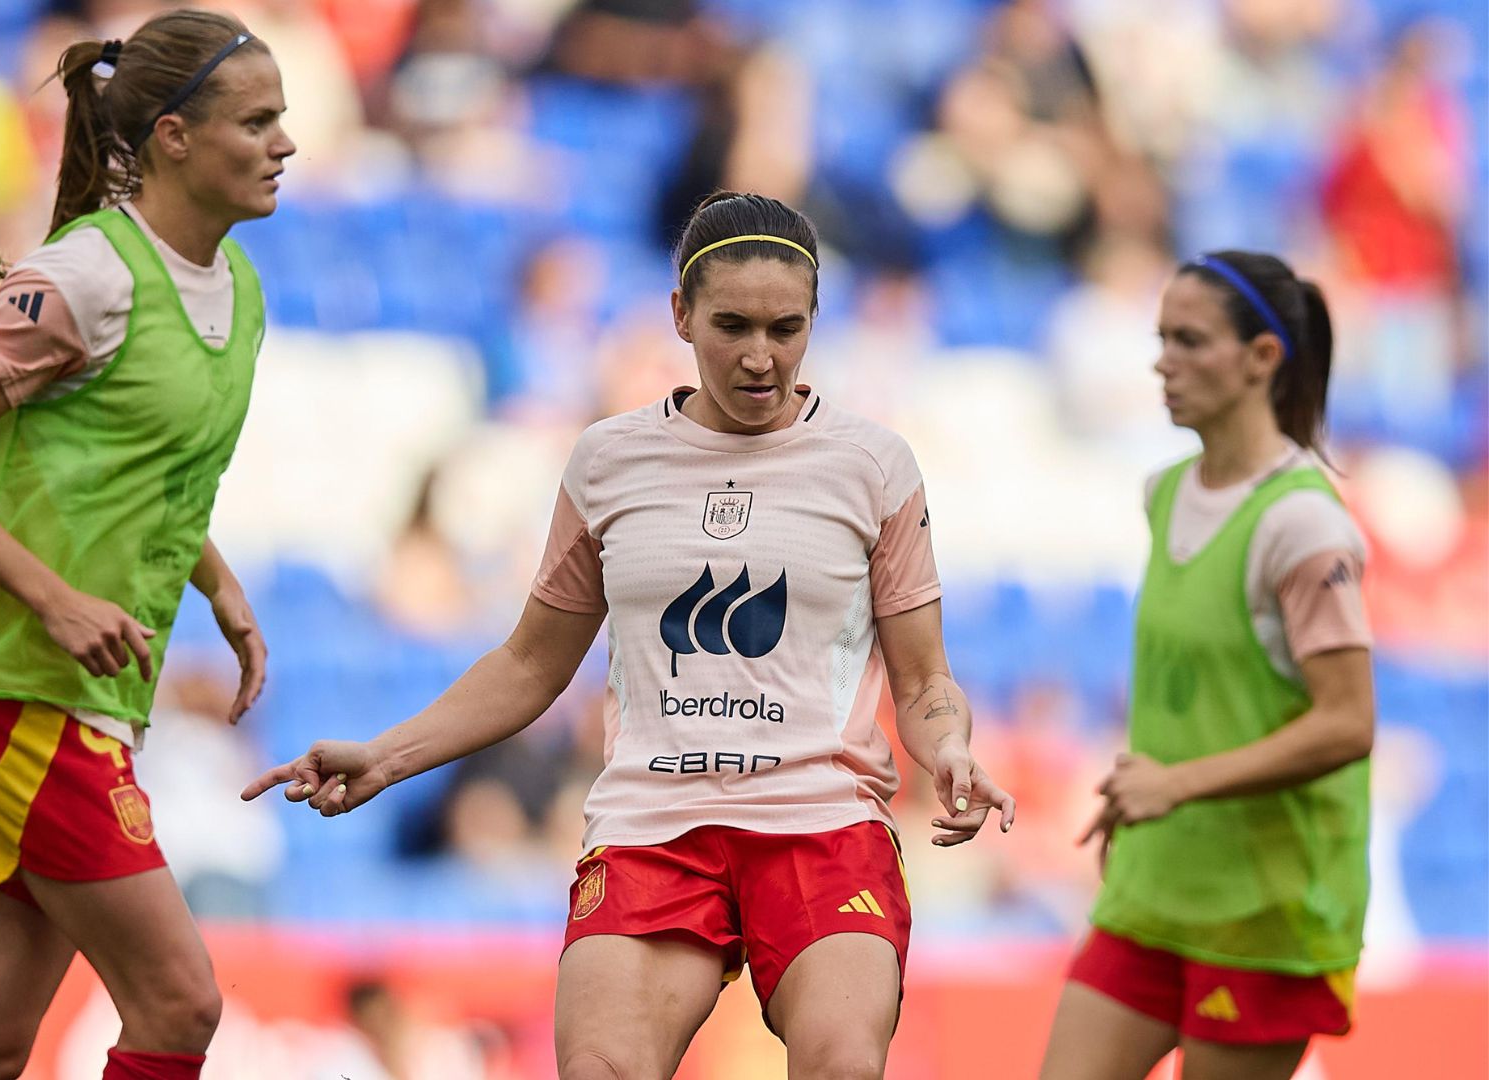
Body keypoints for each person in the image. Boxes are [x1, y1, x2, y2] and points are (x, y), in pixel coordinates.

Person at [247, 191, 1016, 1080]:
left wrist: (949, 747)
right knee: (602, 1068)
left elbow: (924, 684)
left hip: (819, 823)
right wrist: (387, 756)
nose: (760, 357)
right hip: (655, 825)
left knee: (843, 1064)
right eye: (732, 325)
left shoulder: (874, 466)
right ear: (680, 314)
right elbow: (533, 661)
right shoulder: (610, 461)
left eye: (786, 328)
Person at [0, 10, 292, 1080]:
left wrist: (218, 583)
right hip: (15, 686)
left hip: (88, 697)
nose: (285, 142)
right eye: (256, 120)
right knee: (179, 1003)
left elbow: (136, 467)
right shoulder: (87, 278)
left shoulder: (242, 291)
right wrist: (53, 599)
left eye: (284, 119)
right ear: (172, 136)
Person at [1039, 251, 1374, 1080]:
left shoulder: (1302, 524)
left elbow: (1347, 722)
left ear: (1263, 358)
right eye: (1161, 338)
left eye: (1189, 340)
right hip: (1153, 888)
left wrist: (1176, 784)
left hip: (1263, 910)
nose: (1162, 361)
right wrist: (1139, 796)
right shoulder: (1165, 492)